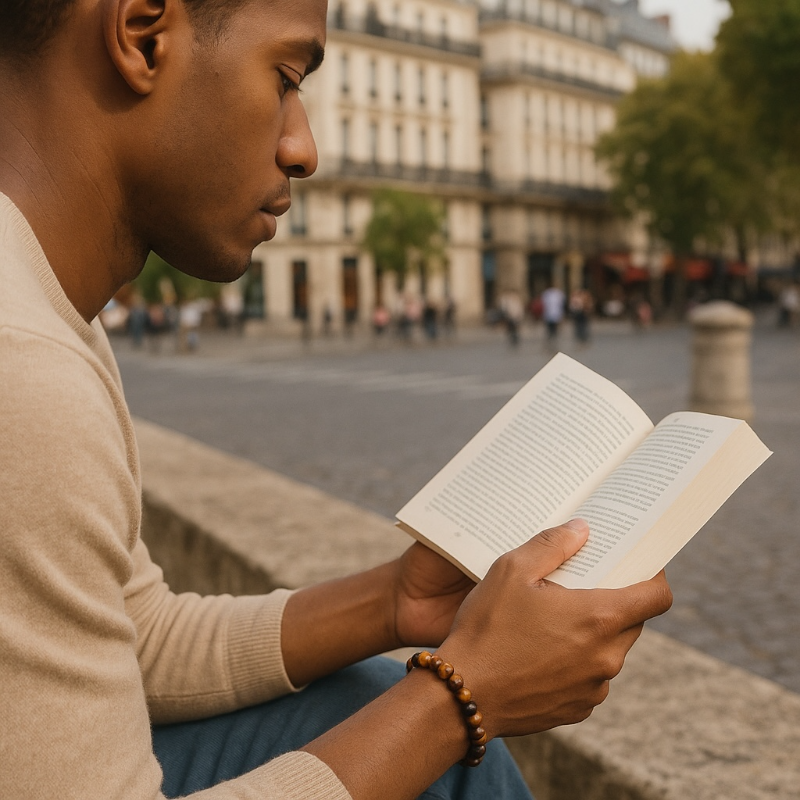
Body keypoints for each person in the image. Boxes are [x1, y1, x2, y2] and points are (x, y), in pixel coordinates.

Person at [0, 2, 673, 799]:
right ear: (144, 37)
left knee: (384, 704)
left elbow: (137, 638)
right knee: (444, 756)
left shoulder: (47, 312)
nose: (303, 148)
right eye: (286, 79)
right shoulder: (25, 366)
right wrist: (465, 696)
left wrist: (397, 599)